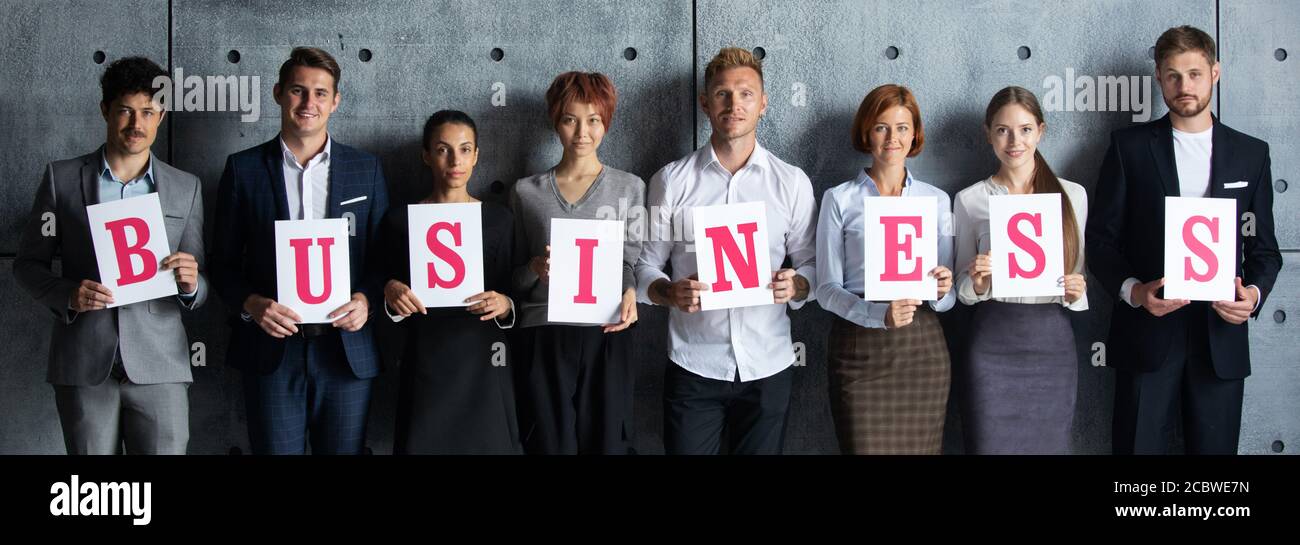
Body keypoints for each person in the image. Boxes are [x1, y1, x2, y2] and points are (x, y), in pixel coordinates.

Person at [1088, 26, 1282, 454]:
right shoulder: (1128, 147)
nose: (1184, 85)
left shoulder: (1252, 153)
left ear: (1215, 73)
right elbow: (1100, 241)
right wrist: (1134, 292)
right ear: (1158, 78)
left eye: (1194, 73)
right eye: (1173, 75)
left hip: (1221, 335)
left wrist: (1252, 294)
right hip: (1147, 331)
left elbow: (1265, 250)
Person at [13, 56, 206, 454]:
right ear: (105, 110)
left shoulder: (186, 187)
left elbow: (201, 284)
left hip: (160, 367)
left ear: (162, 115)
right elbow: (27, 265)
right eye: (125, 111)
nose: (137, 124)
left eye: (148, 112)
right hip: (84, 362)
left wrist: (191, 284)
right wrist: (68, 294)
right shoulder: (61, 178)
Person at [636, 47, 816, 455]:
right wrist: (669, 293)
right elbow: (646, 266)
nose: (734, 104)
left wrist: (799, 284)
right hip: (693, 365)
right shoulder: (672, 181)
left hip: (768, 365)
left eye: (746, 94)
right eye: (722, 94)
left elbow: (813, 266)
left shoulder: (791, 183)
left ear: (763, 103)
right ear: (705, 103)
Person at [211, 47, 389, 455]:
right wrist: (252, 304)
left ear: (335, 101)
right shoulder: (243, 169)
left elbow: (384, 258)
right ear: (278, 93)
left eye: (320, 93)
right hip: (273, 351)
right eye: (298, 90)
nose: (309, 103)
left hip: (345, 351)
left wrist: (367, 299)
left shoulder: (368, 169)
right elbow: (221, 263)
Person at [816, 84, 955, 455]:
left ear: (915, 134)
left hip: (921, 345)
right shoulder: (839, 199)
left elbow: (948, 295)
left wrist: (943, 290)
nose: (893, 138)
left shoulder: (936, 200)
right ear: (867, 132)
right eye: (881, 127)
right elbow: (826, 289)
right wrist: (877, 314)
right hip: (859, 345)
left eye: (903, 127)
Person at [509, 72, 642, 454]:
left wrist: (630, 292)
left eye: (593, 120)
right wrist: (535, 269)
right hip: (544, 331)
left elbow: (628, 262)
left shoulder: (630, 187)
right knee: (550, 443)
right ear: (556, 122)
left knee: (608, 441)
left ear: (606, 123)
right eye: (570, 119)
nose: (582, 132)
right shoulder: (526, 191)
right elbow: (513, 279)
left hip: (605, 330)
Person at [953, 86, 1088, 454]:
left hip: (1052, 344)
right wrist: (977, 283)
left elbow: (1077, 281)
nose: (1015, 141)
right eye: (1003, 130)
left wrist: (1076, 291)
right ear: (988, 134)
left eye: (1025, 129)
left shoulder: (1073, 196)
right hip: (992, 343)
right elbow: (961, 289)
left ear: (1041, 131)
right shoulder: (969, 199)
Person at [382, 110, 520, 454]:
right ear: (426, 155)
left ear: (476, 155)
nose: (455, 160)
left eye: (465, 149)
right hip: (426, 359)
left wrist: (505, 304)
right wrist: (390, 293)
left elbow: (515, 286)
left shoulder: (500, 219)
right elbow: (380, 285)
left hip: (485, 361)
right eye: (443, 149)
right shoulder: (400, 220)